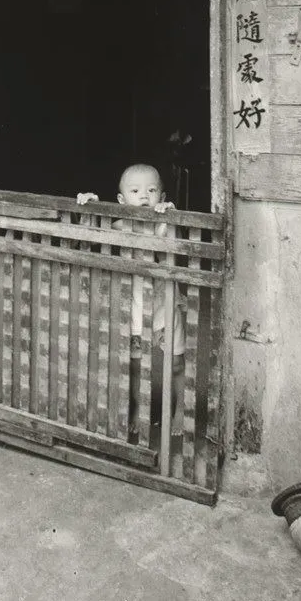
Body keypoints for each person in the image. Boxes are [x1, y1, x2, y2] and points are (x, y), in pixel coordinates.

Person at [77, 164, 186, 438]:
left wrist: (172, 216)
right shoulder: (119, 225)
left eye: (152, 190)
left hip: (164, 308)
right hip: (134, 311)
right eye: (135, 191)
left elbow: (179, 243)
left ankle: (180, 409)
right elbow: (90, 235)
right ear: (121, 200)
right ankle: (138, 408)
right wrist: (91, 208)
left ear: (162, 197)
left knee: (176, 362)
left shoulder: (161, 225)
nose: (144, 196)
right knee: (136, 365)